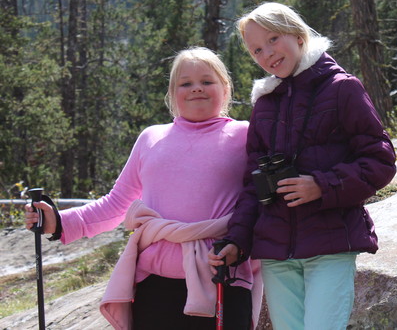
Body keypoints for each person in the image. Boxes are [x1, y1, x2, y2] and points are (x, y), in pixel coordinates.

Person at [25, 47, 262, 330]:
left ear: (225, 89)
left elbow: (260, 202)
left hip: (223, 277)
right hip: (154, 284)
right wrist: (60, 222)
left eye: (207, 81)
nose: (196, 88)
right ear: (173, 94)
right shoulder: (151, 138)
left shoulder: (247, 135)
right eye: (185, 83)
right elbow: (116, 203)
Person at [208, 2, 397, 329]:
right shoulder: (265, 105)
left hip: (330, 247)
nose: (266, 53)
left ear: (297, 34)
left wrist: (322, 185)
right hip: (277, 255)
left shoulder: (343, 88)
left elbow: (380, 160)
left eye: (272, 39)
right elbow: (253, 186)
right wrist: (237, 240)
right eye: (256, 50)